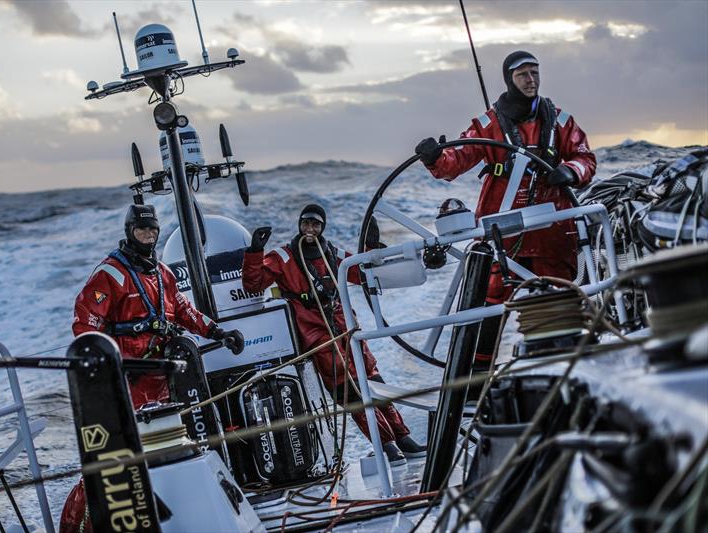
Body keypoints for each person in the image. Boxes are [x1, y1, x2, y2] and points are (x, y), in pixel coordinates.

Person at [60, 203, 244, 533]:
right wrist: (112, 368)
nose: (147, 234)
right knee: (113, 459)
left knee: (164, 452)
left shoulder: (163, 273)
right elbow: (85, 326)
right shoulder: (110, 275)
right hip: (126, 383)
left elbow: (184, 311)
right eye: (141, 229)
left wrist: (218, 332)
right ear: (129, 232)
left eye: (152, 229)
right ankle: (75, 526)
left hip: (161, 381)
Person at [414, 50, 596, 369]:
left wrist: (570, 171)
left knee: (559, 300)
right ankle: (476, 374)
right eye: (523, 74)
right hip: (502, 235)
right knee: (489, 303)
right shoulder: (488, 124)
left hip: (552, 233)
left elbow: (585, 158)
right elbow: (457, 160)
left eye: (535, 72)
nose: (531, 79)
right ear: (509, 80)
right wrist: (435, 157)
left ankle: (567, 367)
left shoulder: (561, 121)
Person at [242, 203, 426, 464]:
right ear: (299, 225)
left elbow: (362, 273)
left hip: (346, 327)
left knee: (374, 380)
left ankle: (403, 438)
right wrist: (255, 251)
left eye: (315, 224)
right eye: (306, 223)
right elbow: (253, 285)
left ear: (322, 227)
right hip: (316, 334)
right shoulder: (283, 257)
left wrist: (371, 246)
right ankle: (387, 445)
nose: (310, 229)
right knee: (348, 391)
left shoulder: (332, 253)